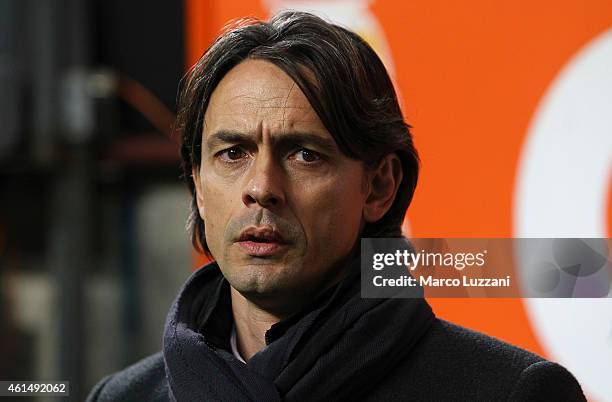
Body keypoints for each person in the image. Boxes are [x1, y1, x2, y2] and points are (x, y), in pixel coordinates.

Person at [87, 11, 586, 401]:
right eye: (232, 153)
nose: (261, 187)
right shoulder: (121, 397)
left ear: (379, 187)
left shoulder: (511, 392)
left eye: (305, 154)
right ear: (197, 183)